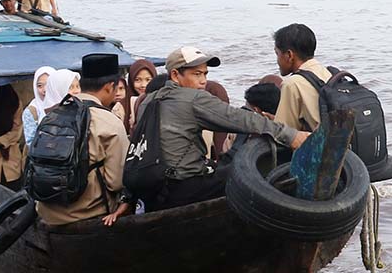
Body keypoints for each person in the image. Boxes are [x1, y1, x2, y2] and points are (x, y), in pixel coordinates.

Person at [132, 46, 310, 211]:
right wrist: (291, 135)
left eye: (205, 74)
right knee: (250, 173)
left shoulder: (147, 101)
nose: (203, 81)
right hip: (182, 188)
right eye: (196, 74)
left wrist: (127, 196)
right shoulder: (193, 98)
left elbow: (137, 148)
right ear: (175, 75)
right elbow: (241, 119)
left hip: (151, 189)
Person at [35, 54, 130, 227]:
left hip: (46, 211)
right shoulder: (109, 121)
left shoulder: (50, 116)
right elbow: (116, 182)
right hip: (87, 215)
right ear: (110, 87)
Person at [273, 23, 332, 131]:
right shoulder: (329, 73)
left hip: (320, 146)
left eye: (277, 53)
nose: (277, 60)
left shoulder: (292, 84)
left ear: (289, 55)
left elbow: (282, 134)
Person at [121, 58, 157, 132]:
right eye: (137, 80)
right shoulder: (122, 106)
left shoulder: (161, 101)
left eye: (148, 80)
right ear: (131, 81)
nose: (143, 85)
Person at [22, 66, 55, 145]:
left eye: (48, 84)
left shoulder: (67, 106)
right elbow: (31, 142)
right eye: (40, 86)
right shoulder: (32, 111)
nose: (44, 90)